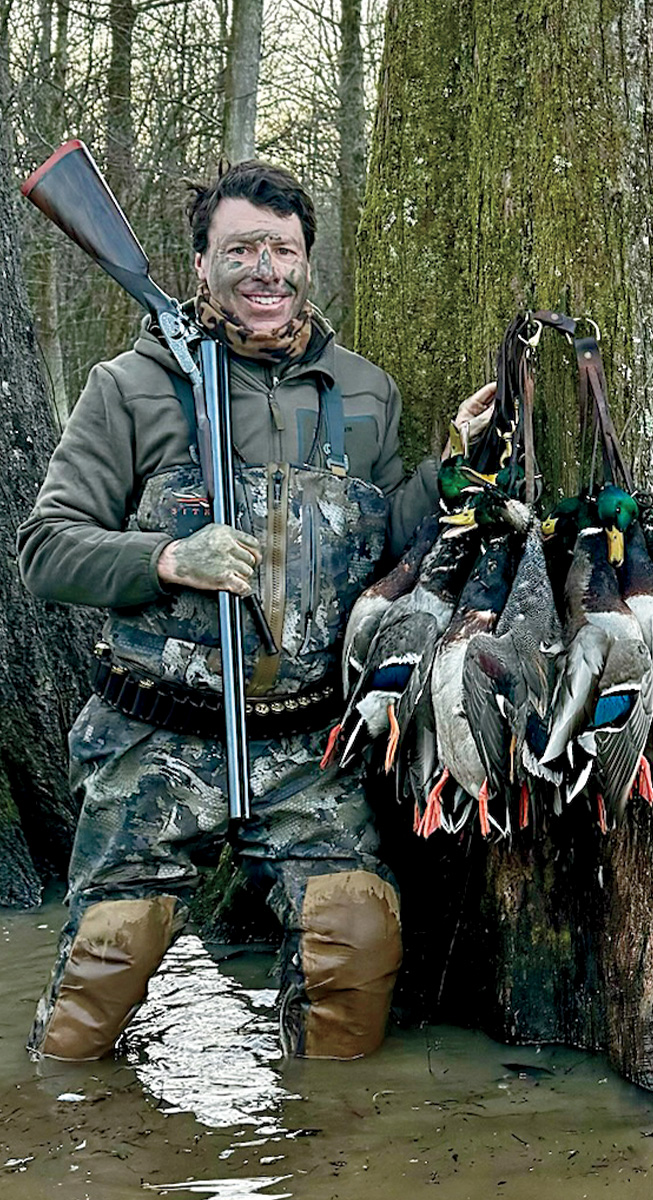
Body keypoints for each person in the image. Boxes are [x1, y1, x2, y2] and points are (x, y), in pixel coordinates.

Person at [19, 160, 492, 1062]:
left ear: (308, 261)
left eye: (283, 249)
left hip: (303, 748)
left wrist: (456, 466)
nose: (265, 270)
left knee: (356, 942)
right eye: (240, 249)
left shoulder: (363, 390)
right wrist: (167, 556)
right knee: (103, 972)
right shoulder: (132, 385)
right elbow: (45, 549)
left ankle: (316, 1148)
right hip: (156, 735)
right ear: (201, 264)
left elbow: (388, 536)